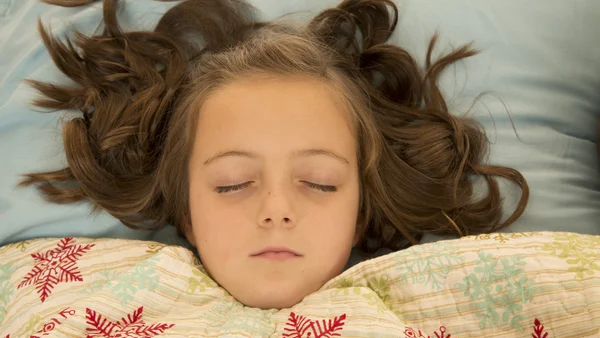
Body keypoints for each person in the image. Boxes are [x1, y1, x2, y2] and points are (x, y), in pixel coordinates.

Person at [20, 0, 528, 309]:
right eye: (234, 183)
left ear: (359, 213)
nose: (276, 209)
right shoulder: (61, 297)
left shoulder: (483, 293)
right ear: (187, 213)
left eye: (320, 182)